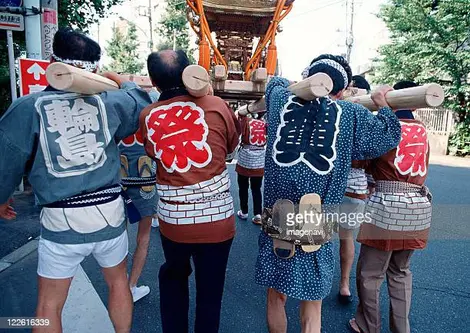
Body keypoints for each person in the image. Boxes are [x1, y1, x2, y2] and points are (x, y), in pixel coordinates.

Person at [0, 28, 152, 333]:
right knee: (118, 283)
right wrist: (117, 78)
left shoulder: (27, 108)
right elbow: (138, 99)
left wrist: (2, 198)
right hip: (109, 214)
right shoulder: (110, 102)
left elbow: (7, 162)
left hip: (61, 220)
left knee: (48, 305)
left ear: (52, 62)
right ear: (93, 69)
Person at [255, 54, 403, 333]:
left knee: (277, 294)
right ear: (342, 90)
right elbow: (386, 138)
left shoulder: (279, 101)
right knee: (312, 301)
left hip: (278, 212)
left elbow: (275, 83)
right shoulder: (350, 114)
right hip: (317, 215)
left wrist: (297, 83)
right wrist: (384, 108)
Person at [139, 50, 240, 333]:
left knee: (174, 275)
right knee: (210, 291)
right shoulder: (218, 105)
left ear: (154, 82)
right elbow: (231, 146)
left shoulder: (148, 115)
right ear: (191, 72)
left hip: (175, 223)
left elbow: (152, 151)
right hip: (218, 221)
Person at [349, 80, 432, 333]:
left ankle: (368, 326)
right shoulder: (423, 129)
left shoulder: (385, 126)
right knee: (400, 271)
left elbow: (360, 160)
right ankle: (401, 329)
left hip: (387, 206)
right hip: (418, 206)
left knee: (371, 273)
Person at [119, 89, 159, 302]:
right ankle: (131, 287)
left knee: (119, 237)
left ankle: (119, 282)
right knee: (143, 238)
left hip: (120, 184)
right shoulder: (153, 115)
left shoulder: (118, 113)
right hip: (147, 185)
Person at [338, 75, 372, 304]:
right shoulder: (370, 122)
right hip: (356, 186)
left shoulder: (337, 114)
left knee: (315, 236)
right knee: (347, 237)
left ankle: (311, 282)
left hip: (328, 183)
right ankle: (344, 284)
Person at [236, 110, 267, 225]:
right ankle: (258, 214)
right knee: (256, 188)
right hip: (259, 159)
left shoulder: (246, 121)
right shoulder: (265, 124)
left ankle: (244, 212)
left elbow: (240, 118)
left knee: (243, 187)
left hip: (245, 158)